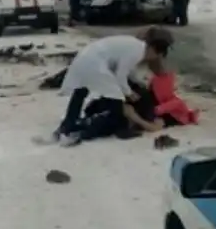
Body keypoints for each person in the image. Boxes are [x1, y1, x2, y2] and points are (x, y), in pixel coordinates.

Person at [43, 27, 174, 146]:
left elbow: (127, 70)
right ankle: (83, 134)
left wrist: (137, 82)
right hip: (96, 64)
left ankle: (66, 126)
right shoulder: (138, 51)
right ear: (154, 50)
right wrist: (129, 93)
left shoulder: (133, 44)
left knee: (80, 92)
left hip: (86, 57)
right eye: (156, 56)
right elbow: (121, 75)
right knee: (116, 104)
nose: (151, 59)